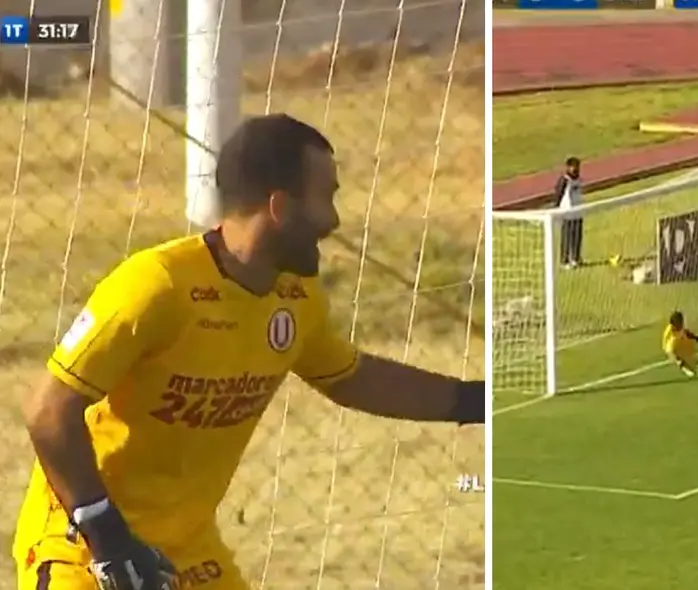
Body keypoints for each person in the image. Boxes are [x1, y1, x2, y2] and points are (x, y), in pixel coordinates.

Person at [14, 114, 486, 590]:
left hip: (188, 551)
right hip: (84, 549)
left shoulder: (295, 296)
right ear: (279, 207)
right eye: (327, 199)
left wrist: (478, 401)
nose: (335, 221)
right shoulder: (157, 285)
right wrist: (108, 538)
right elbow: (48, 412)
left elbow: (350, 378)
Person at [553, 156, 583, 269]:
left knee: (577, 236)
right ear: (568, 167)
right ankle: (564, 261)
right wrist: (556, 209)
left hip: (578, 211)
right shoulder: (564, 180)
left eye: (577, 166)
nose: (575, 169)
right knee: (567, 237)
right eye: (573, 167)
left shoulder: (579, 179)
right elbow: (558, 195)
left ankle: (575, 258)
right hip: (567, 213)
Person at [661, 311, 698, 378]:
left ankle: (696, 360)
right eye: (680, 321)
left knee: (692, 353)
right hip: (674, 348)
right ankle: (686, 367)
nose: (682, 322)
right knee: (678, 356)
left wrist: (696, 338)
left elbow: (685, 332)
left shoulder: (679, 327)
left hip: (681, 342)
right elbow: (670, 351)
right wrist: (683, 366)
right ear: (675, 324)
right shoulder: (671, 335)